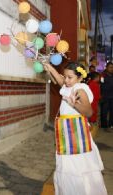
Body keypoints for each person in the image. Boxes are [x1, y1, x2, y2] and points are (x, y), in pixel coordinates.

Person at [43, 62, 107, 195]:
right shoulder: (69, 86)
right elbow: (60, 80)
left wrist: (75, 104)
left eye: (69, 77)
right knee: (67, 163)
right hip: (66, 130)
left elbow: (89, 112)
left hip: (75, 131)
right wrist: (49, 67)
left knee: (75, 165)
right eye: (65, 76)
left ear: (79, 77)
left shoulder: (80, 90)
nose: (66, 80)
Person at [100, 61, 113, 129]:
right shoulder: (103, 75)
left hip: (112, 96)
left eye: (112, 67)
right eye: (110, 67)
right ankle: (104, 125)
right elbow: (101, 85)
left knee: (112, 111)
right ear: (107, 67)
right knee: (104, 111)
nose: (112, 69)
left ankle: (111, 124)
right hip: (105, 96)